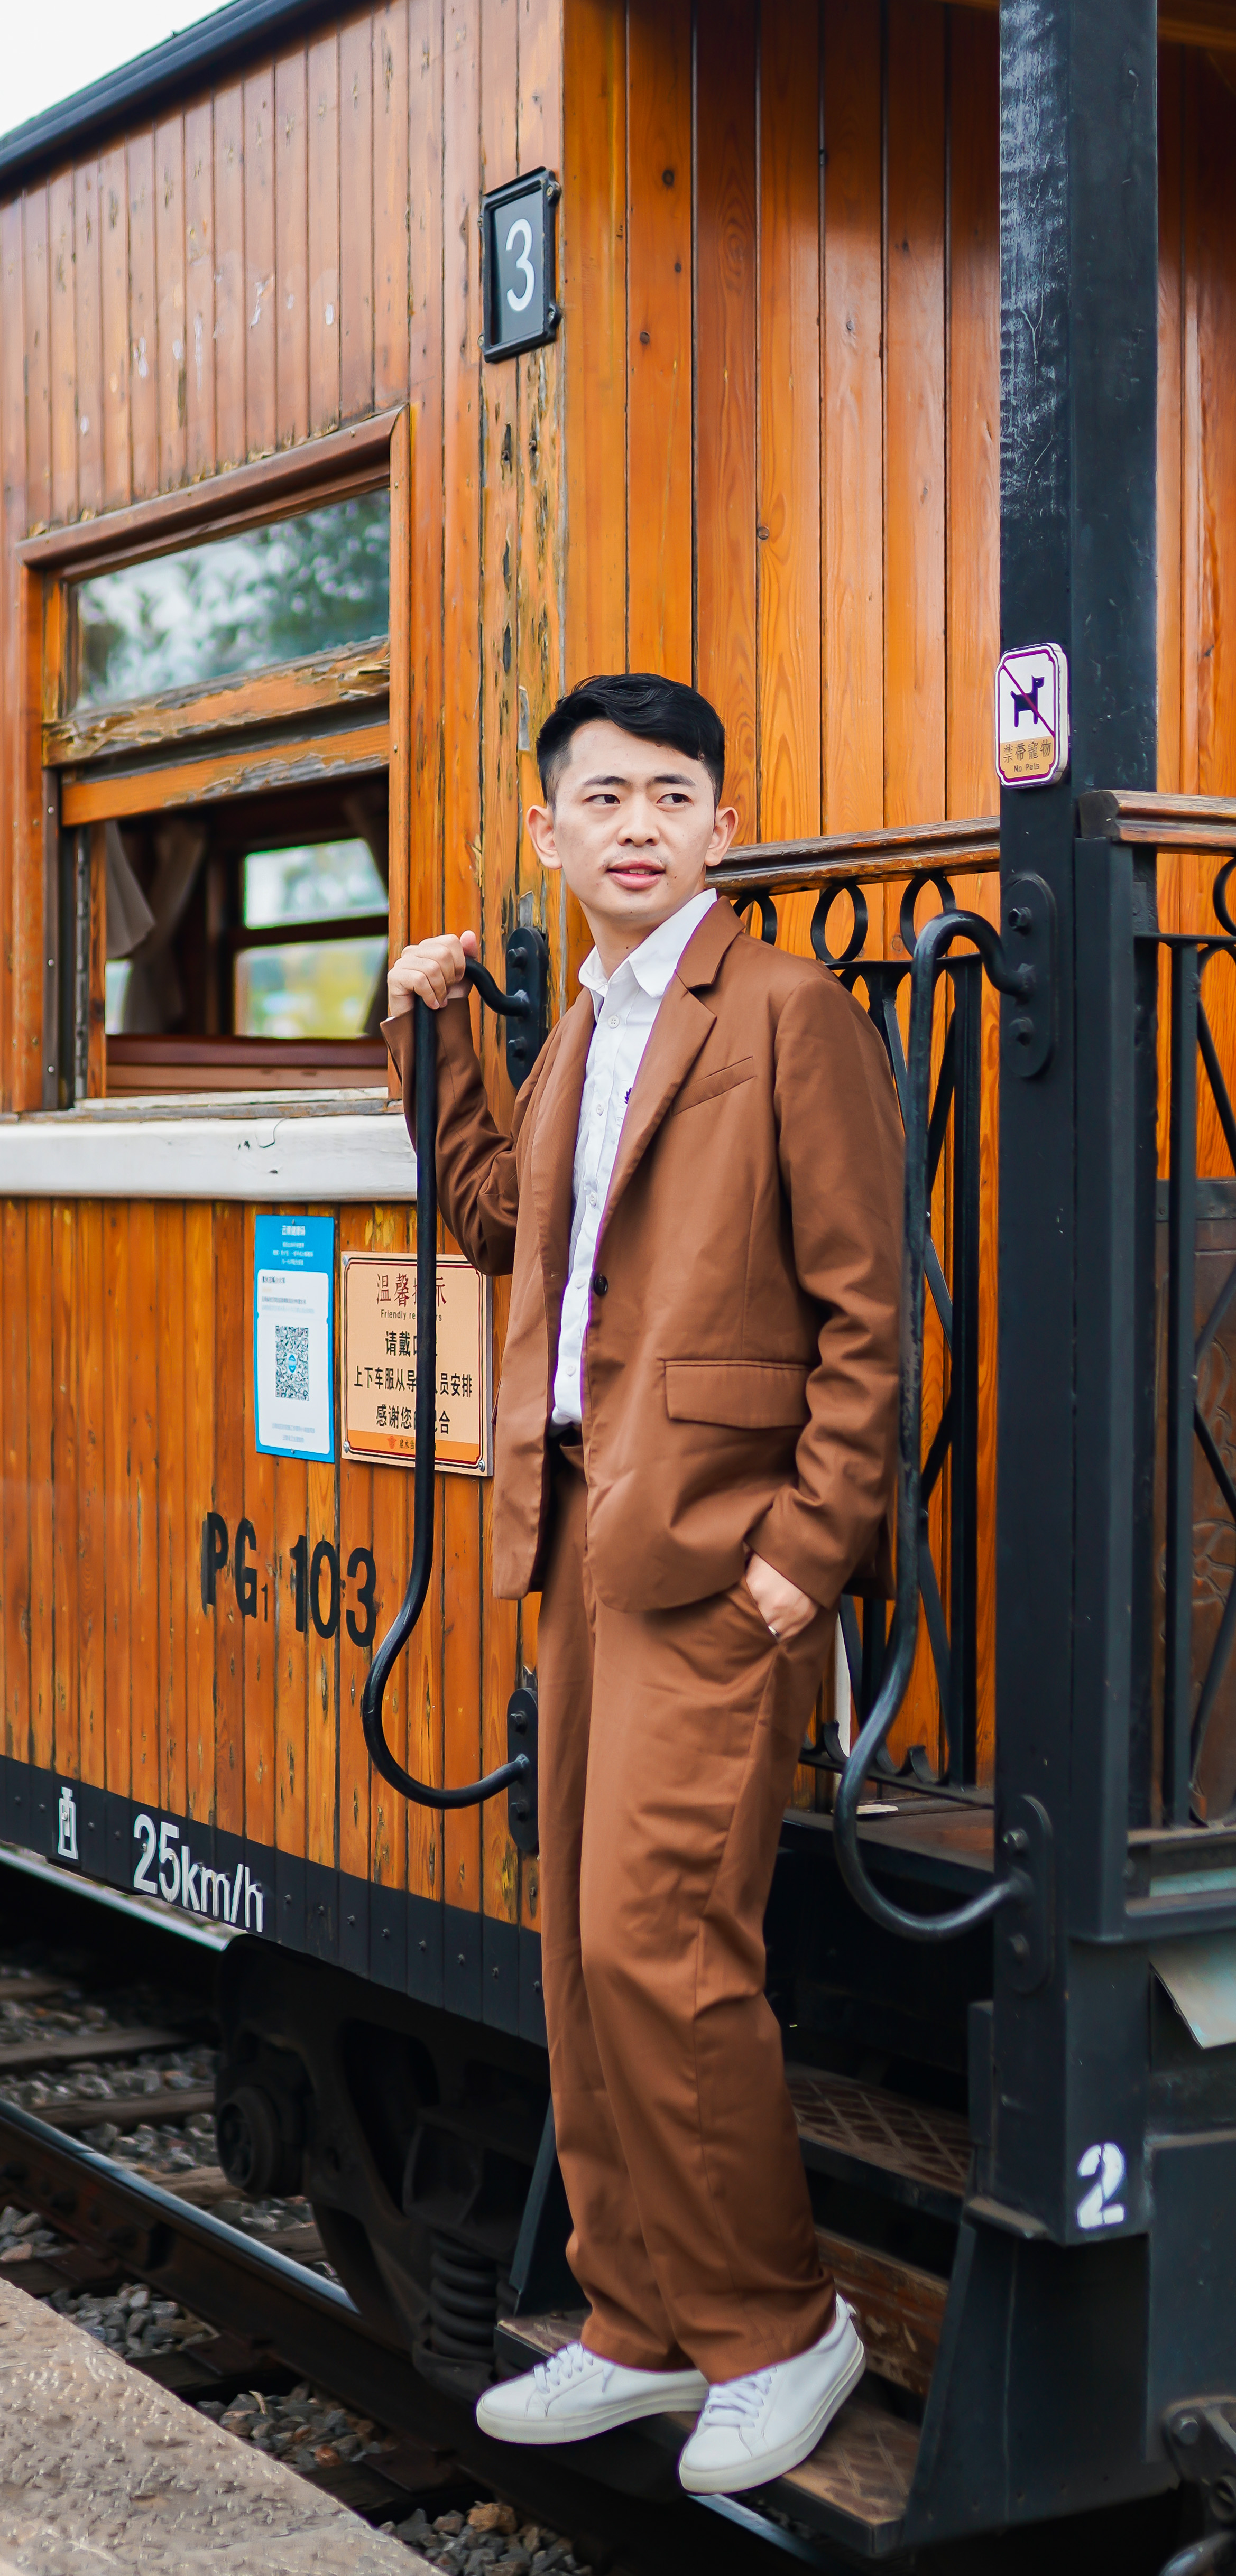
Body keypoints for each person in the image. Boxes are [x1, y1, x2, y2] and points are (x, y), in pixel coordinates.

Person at [381, 674, 902, 2495]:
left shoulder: (784, 1010)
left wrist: (797, 1565)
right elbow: (497, 1226)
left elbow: (866, 1320)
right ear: (547, 832)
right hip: (579, 1539)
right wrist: (425, 1034)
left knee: (665, 1951)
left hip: (714, 1557)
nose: (633, 824)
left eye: (668, 796)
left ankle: (780, 2326)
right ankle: (631, 2318)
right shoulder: (581, 1027)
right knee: (580, 1955)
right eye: (599, 797)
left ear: (718, 825)